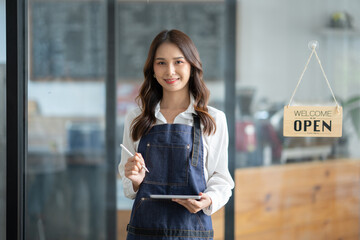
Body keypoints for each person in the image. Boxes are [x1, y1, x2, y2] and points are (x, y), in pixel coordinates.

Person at [118, 29, 234, 240]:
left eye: (178, 62)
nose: (170, 71)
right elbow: (129, 187)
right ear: (152, 69)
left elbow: (222, 179)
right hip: (143, 232)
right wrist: (135, 179)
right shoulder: (136, 118)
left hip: (192, 232)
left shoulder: (214, 119)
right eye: (161, 63)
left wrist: (208, 199)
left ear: (192, 65)